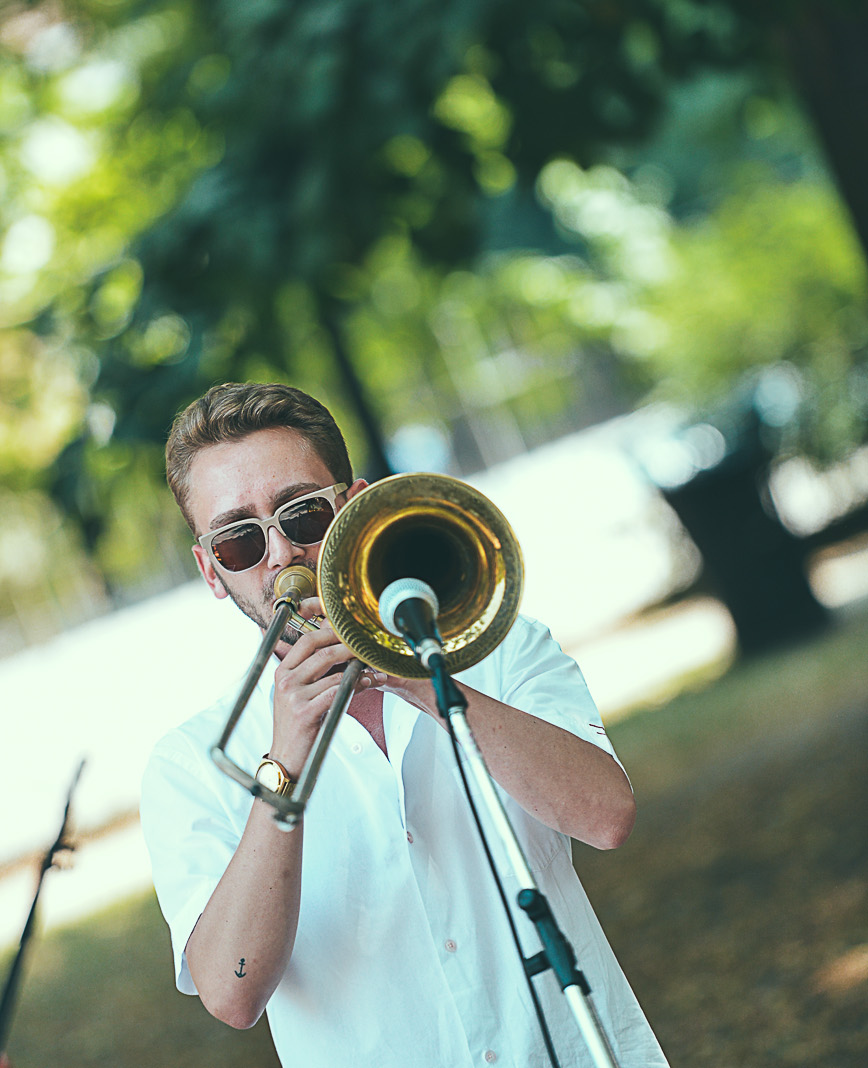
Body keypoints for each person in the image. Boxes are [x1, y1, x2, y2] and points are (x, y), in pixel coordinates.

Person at [141, 382, 669, 1068]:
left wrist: (421, 680)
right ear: (212, 571)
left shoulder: (499, 649)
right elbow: (231, 993)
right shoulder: (185, 764)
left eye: (301, 515)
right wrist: (284, 769)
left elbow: (607, 817)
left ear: (355, 507)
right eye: (240, 539)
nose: (280, 556)